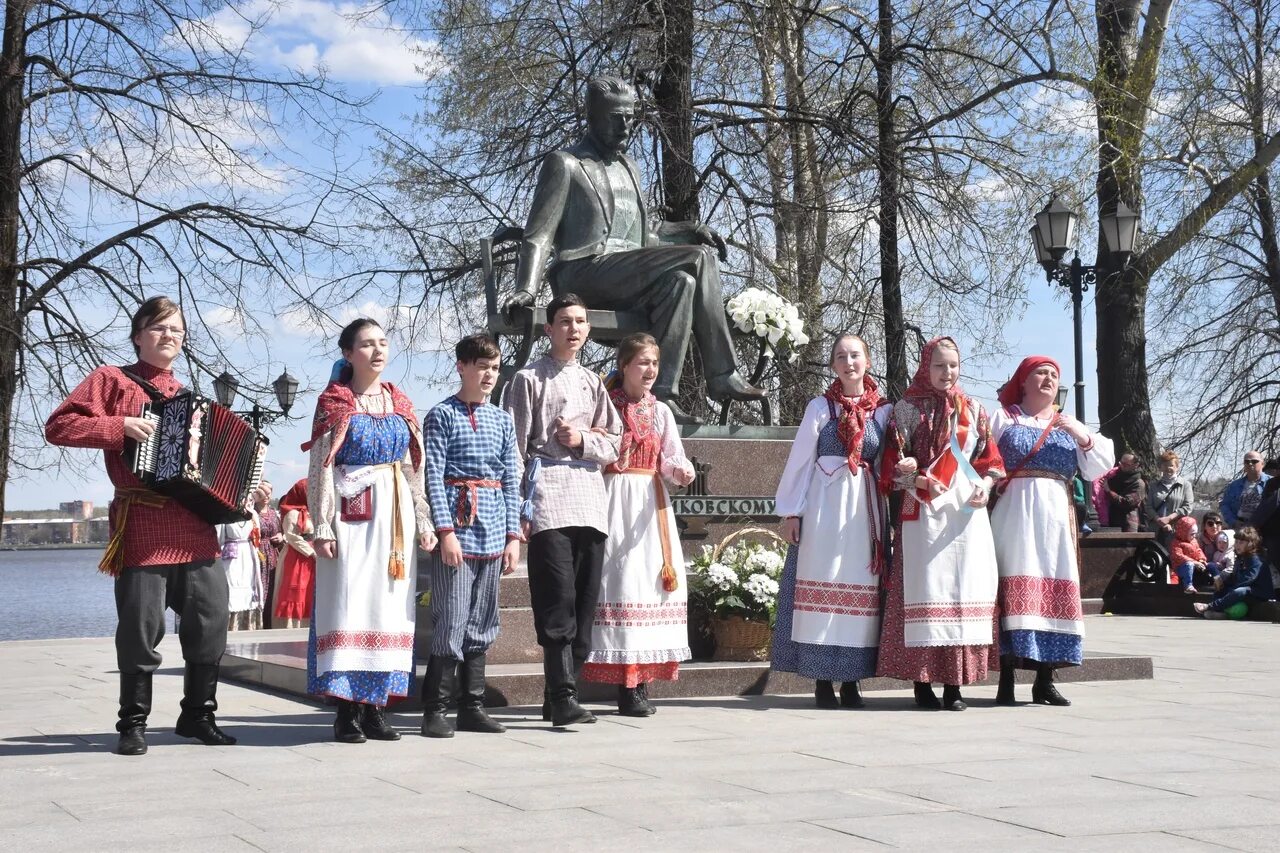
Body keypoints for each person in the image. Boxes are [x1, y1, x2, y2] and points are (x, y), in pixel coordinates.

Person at [504, 76, 763, 421]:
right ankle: (721, 374)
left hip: (627, 275)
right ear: (591, 116)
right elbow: (539, 234)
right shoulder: (565, 163)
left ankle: (660, 396)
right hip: (583, 272)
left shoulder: (631, 167)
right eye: (615, 117)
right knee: (699, 258)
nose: (625, 125)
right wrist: (526, 289)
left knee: (681, 285)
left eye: (630, 117)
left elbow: (644, 238)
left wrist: (689, 229)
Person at [44, 295, 236, 755]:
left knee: (210, 623)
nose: (169, 336)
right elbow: (59, 426)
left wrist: (246, 492)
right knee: (139, 626)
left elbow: (219, 468)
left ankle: (197, 716)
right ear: (138, 336)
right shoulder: (111, 381)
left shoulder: (193, 401)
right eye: (159, 328)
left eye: (177, 330)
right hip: (144, 523)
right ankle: (132, 724)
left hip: (195, 527)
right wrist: (119, 426)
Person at [302, 318, 436, 744]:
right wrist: (321, 524)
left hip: (394, 515)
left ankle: (376, 707)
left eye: (383, 342)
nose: (377, 350)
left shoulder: (400, 401)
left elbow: (415, 468)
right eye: (366, 344)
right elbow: (321, 466)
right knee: (349, 601)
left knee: (389, 604)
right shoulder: (335, 402)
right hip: (350, 513)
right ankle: (346, 710)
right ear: (347, 354)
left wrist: (424, 519)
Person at [504, 292, 622, 726]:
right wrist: (516, 512)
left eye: (580, 321)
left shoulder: (594, 381)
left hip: (590, 497)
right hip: (549, 494)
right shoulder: (527, 379)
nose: (574, 328)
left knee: (586, 600)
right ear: (550, 328)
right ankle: (563, 691)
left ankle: (559, 694)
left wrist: (584, 441)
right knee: (558, 599)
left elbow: (614, 442)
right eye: (565, 321)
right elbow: (513, 447)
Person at [877, 336, 1003, 712]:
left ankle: (955, 684)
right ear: (925, 366)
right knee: (926, 591)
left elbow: (990, 460)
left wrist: (986, 485)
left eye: (953, 365)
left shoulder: (975, 410)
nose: (947, 372)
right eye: (939, 365)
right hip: (924, 510)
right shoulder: (905, 409)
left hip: (964, 513)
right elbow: (889, 465)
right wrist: (912, 476)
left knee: (963, 593)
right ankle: (922, 681)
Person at [771, 334, 890, 709]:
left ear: (867, 361)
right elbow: (801, 460)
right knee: (823, 581)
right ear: (834, 366)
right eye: (841, 356)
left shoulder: (883, 411)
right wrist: (793, 510)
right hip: (824, 508)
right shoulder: (820, 407)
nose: (849, 362)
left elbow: (890, 458)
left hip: (864, 511)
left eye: (855, 355)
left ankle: (852, 680)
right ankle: (821, 679)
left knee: (859, 584)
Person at [989, 356, 1114, 707]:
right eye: (1040, 373)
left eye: (1054, 375)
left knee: (1051, 588)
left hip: (1056, 519)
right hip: (1013, 513)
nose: (1048, 378)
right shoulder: (1004, 418)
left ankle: (1045, 680)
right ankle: (1006, 680)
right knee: (1011, 587)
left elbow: (1097, 468)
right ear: (1023, 381)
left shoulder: (1068, 425)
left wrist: (1081, 434)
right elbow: (981, 459)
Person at [580, 334, 695, 716]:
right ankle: (621, 681)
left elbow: (670, 456)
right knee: (620, 582)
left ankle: (639, 682)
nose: (649, 371)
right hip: (613, 496)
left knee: (648, 584)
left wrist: (680, 470)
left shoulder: (660, 411)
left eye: (654, 364)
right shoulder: (604, 404)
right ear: (625, 365)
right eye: (642, 363)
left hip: (649, 501)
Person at [420, 334, 523, 738]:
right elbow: (433, 476)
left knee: (483, 618)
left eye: (495, 368)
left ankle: (472, 705)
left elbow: (510, 480)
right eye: (482, 367)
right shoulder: (442, 415)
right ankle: (435, 708)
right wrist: (445, 532)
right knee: (452, 617)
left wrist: (513, 536)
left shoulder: (502, 419)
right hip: (458, 527)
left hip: (494, 526)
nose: (489, 375)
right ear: (462, 366)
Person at [1195, 527, 1275, 618]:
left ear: (1250, 544)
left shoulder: (1255, 559)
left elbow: (1247, 580)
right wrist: (1222, 582)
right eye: (1236, 542)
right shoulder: (1240, 557)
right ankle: (1221, 612)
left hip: (1258, 594)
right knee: (1221, 587)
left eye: (1241, 543)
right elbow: (1234, 576)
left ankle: (1210, 606)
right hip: (1244, 590)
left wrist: (1231, 589)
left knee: (1239, 591)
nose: (1237, 545)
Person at [273, 479, 315, 628]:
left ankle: (309, 623)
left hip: (313, 556)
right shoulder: (292, 513)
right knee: (296, 590)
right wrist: (311, 552)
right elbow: (292, 536)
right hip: (298, 556)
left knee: (310, 589)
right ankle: (293, 625)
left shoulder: (312, 511)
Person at [218, 515, 263, 631]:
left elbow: (257, 535)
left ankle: (248, 626)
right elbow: (219, 538)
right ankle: (229, 627)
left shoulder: (251, 514)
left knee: (248, 586)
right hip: (230, 556)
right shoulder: (225, 513)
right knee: (231, 587)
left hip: (247, 554)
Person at [1145, 450, 1193, 546]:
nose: (1168, 468)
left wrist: (1169, 518)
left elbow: (1188, 507)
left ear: (1177, 467)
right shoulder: (1154, 486)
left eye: (1171, 465)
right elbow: (1148, 507)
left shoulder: (1185, 485)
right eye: (1165, 465)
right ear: (1161, 467)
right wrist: (1159, 520)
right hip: (1156, 531)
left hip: (1176, 531)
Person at [254, 481, 282, 629]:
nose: (266, 496)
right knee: (260, 588)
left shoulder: (273, 513)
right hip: (258, 553)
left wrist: (280, 536)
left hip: (272, 554)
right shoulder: (252, 513)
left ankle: (270, 622)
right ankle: (258, 621)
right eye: (263, 493)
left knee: (272, 587)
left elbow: (280, 530)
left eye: (268, 493)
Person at [1220, 451, 1270, 528]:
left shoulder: (1272, 483)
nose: (1250, 464)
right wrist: (1233, 522)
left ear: (1262, 464)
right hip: (1241, 529)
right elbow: (1225, 505)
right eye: (1247, 461)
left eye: (1254, 461)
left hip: (1266, 528)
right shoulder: (1234, 486)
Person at [1103, 454, 1145, 533]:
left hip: (1129, 524)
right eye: (1121, 463)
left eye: (1126, 464)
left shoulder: (1139, 484)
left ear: (1136, 465)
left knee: (1128, 545)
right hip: (1112, 521)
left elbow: (1127, 502)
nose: (1122, 466)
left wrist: (1109, 491)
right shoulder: (1114, 477)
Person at [1169, 516, 1211, 593]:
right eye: (1192, 534)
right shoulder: (1176, 543)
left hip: (1195, 565)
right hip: (1181, 567)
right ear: (1184, 533)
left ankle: (1216, 579)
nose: (1194, 536)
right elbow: (1178, 556)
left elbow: (1198, 550)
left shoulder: (1193, 541)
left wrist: (1202, 559)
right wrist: (1194, 562)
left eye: (1195, 534)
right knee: (1189, 565)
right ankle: (1188, 585)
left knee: (1211, 565)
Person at [1197, 511, 1235, 582]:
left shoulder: (1228, 537)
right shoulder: (1199, 539)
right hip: (1205, 567)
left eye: (1218, 523)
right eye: (1210, 524)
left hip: (1225, 569)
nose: (1214, 526)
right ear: (1204, 526)